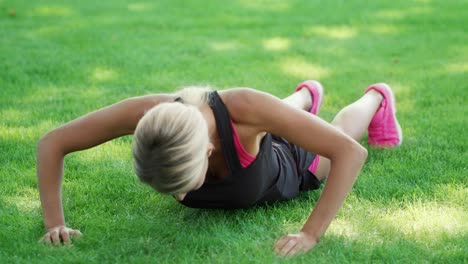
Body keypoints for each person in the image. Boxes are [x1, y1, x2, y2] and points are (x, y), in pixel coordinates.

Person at [37, 80, 402, 257]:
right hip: (257, 127)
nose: (178, 194)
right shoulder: (152, 116)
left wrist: (310, 234)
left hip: (289, 162)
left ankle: (377, 98)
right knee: (267, 117)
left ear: (208, 151)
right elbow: (52, 142)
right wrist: (55, 222)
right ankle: (305, 97)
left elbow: (350, 154)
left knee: (337, 131)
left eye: (182, 183)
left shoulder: (243, 108)